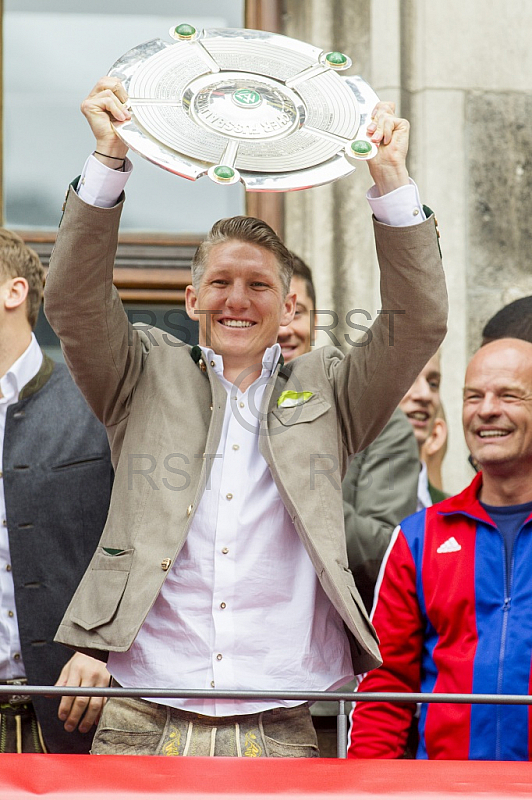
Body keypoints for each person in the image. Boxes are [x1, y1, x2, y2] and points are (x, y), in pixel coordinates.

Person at [43, 76, 447, 758]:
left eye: (259, 285)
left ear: (289, 305)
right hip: (140, 715)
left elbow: (420, 323)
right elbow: (75, 304)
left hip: (283, 725)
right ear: (192, 294)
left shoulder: (331, 391)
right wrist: (110, 163)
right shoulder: (141, 373)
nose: (239, 299)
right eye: (222, 282)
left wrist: (390, 183)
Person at [349, 337, 532, 760]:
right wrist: (368, 791)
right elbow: (385, 691)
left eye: (508, 395)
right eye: (473, 396)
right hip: (446, 788)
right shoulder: (418, 538)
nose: (486, 409)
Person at [278, 254, 419, 756]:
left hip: (322, 700)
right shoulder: (208, 415)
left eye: (294, 309)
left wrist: (289, 480)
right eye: (268, 306)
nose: (283, 325)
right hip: (203, 690)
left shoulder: (377, 420)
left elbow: (388, 552)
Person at [0, 228, 112, 753]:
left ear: (14, 291)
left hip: (72, 725)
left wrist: (102, 650)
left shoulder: (95, 406)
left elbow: (138, 546)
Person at [398, 353, 447, 506]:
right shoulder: (333, 501)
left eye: (433, 383)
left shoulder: (455, 516)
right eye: (407, 378)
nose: (425, 395)